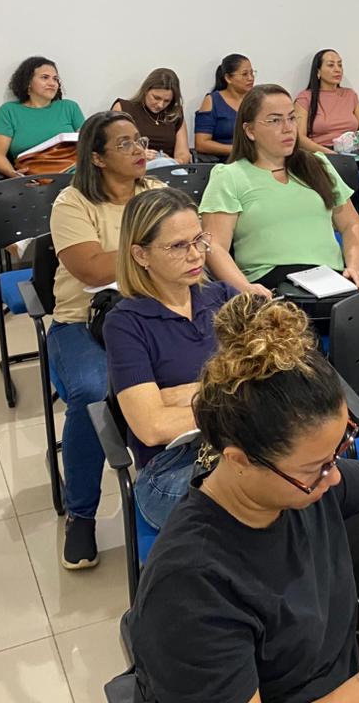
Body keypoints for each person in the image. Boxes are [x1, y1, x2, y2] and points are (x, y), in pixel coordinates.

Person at [127, 294, 359, 703]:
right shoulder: (192, 587)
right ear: (239, 460)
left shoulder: (304, 488)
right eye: (316, 467)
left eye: (338, 453)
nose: (335, 477)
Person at [47, 111, 164, 569]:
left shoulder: (155, 193)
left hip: (151, 315)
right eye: (125, 144)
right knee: (94, 392)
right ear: (96, 158)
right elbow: (92, 270)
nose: (139, 151)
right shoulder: (72, 203)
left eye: (140, 141)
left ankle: (176, 489)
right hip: (81, 322)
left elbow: (185, 250)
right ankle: (81, 514)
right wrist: (153, 251)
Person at [103, 187, 237, 530]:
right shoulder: (126, 323)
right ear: (141, 254)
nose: (195, 255)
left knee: (314, 474)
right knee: (274, 488)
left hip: (240, 444)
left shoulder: (223, 296)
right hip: (172, 468)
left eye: (199, 240)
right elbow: (152, 428)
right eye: (178, 246)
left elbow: (277, 375)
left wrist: (180, 395)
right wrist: (239, 395)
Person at [199, 84, 359, 296]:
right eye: (275, 120)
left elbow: (351, 225)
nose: (288, 128)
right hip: (270, 285)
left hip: (329, 280)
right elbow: (214, 246)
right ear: (250, 131)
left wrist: (354, 267)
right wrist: (245, 287)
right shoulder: (230, 176)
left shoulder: (317, 165)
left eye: (291, 118)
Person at [294, 48, 359, 194]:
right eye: (331, 65)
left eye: (340, 65)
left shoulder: (350, 95)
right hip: (325, 154)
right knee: (356, 179)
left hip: (355, 153)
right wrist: (329, 153)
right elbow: (299, 138)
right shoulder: (305, 97)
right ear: (318, 71)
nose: (337, 69)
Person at [0, 56, 84, 178]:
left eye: (55, 79)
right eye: (45, 77)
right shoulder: (9, 111)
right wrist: (13, 174)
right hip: (32, 178)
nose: (52, 83)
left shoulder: (69, 107)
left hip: (75, 174)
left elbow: (88, 144)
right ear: (28, 82)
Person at [110, 67, 191, 167]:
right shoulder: (123, 108)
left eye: (167, 101)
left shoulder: (174, 114)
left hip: (167, 168)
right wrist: (137, 153)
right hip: (133, 166)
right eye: (156, 98)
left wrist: (171, 161)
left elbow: (183, 154)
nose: (160, 105)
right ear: (145, 90)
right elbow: (113, 147)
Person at [193, 53, 255, 161]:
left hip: (257, 159)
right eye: (244, 74)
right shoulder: (212, 100)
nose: (250, 78)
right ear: (228, 78)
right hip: (226, 161)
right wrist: (238, 150)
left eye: (252, 73)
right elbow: (201, 144)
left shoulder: (257, 99)